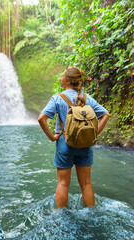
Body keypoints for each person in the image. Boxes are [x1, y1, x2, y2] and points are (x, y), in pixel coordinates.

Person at [38, 66, 110, 208]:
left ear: (67, 80)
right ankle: (90, 214)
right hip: (85, 144)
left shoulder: (58, 98)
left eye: (62, 76)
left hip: (65, 143)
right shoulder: (86, 98)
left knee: (63, 183)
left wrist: (52, 137)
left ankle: (60, 217)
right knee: (86, 183)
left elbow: (41, 119)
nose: (60, 78)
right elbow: (105, 114)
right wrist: (94, 135)